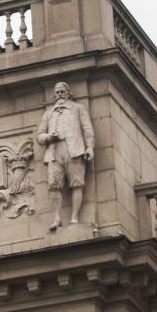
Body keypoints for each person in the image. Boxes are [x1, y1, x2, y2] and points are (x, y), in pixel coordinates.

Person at [34, 81, 95, 231]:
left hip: (74, 150)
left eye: (62, 91)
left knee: (77, 183)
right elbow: (39, 135)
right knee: (53, 185)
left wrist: (89, 147)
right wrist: (48, 137)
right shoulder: (49, 113)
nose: (60, 94)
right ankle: (56, 218)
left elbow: (87, 129)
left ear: (68, 93)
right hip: (54, 152)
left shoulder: (78, 108)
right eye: (57, 92)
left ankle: (74, 217)